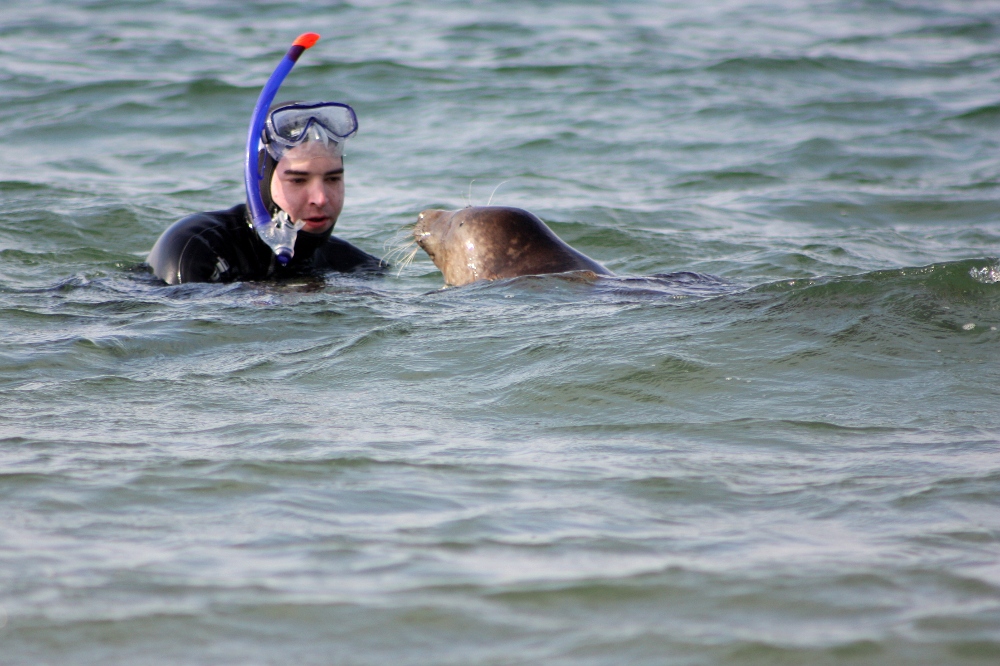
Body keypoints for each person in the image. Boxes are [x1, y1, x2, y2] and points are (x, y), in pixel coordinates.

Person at [148, 101, 384, 284]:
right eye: (298, 181)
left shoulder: (354, 265)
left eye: (333, 179)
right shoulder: (196, 248)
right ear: (258, 179)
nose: (320, 198)